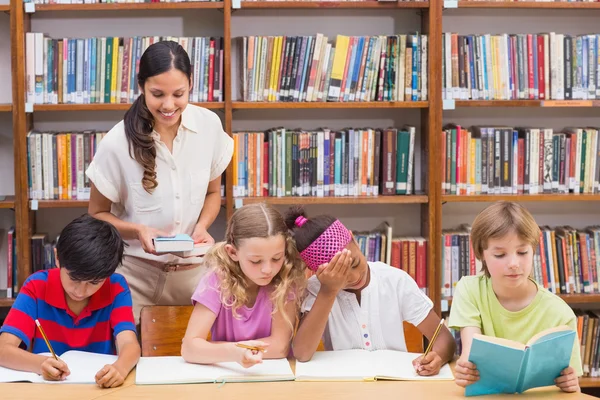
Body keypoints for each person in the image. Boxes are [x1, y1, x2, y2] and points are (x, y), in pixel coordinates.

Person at [86, 40, 233, 324]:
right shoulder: (117, 142)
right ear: (141, 86)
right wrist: (137, 229)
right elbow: (96, 215)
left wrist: (202, 226)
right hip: (136, 279)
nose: (168, 105)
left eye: (179, 94)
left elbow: (213, 193)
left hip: (196, 276)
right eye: (157, 94)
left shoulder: (209, 126)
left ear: (191, 84)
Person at [287, 206, 455, 376]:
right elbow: (302, 353)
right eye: (341, 275)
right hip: (343, 385)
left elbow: (443, 337)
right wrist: (328, 290)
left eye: (355, 264)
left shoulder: (395, 281)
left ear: (353, 238)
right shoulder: (316, 290)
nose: (353, 277)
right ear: (318, 273)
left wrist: (438, 357)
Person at [449, 201, 582, 393]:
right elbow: (470, 352)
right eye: (500, 254)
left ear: (534, 250)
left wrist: (571, 384)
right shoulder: (469, 290)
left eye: (522, 252)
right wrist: (465, 370)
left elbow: (572, 383)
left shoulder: (560, 313)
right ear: (481, 254)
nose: (513, 263)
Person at [0, 214, 140, 388]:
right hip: (47, 389)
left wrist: (120, 368)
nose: (81, 292)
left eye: (94, 283)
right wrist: (39, 364)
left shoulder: (116, 286)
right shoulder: (37, 287)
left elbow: (129, 344)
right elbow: (3, 349)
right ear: (57, 258)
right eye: (74, 279)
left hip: (99, 388)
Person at [181, 203, 306, 368]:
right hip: (227, 374)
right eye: (256, 261)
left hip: (273, 374)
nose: (268, 269)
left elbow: (280, 347)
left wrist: (223, 350)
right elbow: (190, 348)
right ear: (232, 252)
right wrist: (235, 353)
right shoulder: (217, 280)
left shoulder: (285, 280)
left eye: (276, 258)